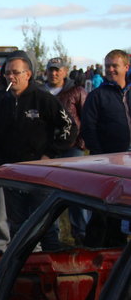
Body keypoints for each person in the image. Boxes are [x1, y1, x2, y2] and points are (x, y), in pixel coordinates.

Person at [0, 50, 77, 250]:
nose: (11, 77)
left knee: (45, 225)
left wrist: (50, 155)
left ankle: (53, 271)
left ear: (28, 74)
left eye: (16, 72)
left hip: (39, 172)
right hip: (10, 172)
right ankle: (22, 272)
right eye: (8, 73)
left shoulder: (43, 98)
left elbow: (69, 126)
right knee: (17, 227)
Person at [42, 57, 89, 243]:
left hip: (72, 149)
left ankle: (81, 234)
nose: (54, 73)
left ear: (65, 71)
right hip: (48, 149)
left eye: (57, 70)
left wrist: (81, 144)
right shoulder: (41, 92)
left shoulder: (77, 91)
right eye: (51, 69)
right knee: (49, 194)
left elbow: (86, 118)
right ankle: (52, 237)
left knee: (76, 194)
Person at [81, 49, 130, 155]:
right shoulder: (96, 96)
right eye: (107, 66)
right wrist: (100, 154)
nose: (110, 69)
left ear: (126, 67)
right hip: (109, 158)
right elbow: (88, 127)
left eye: (114, 66)